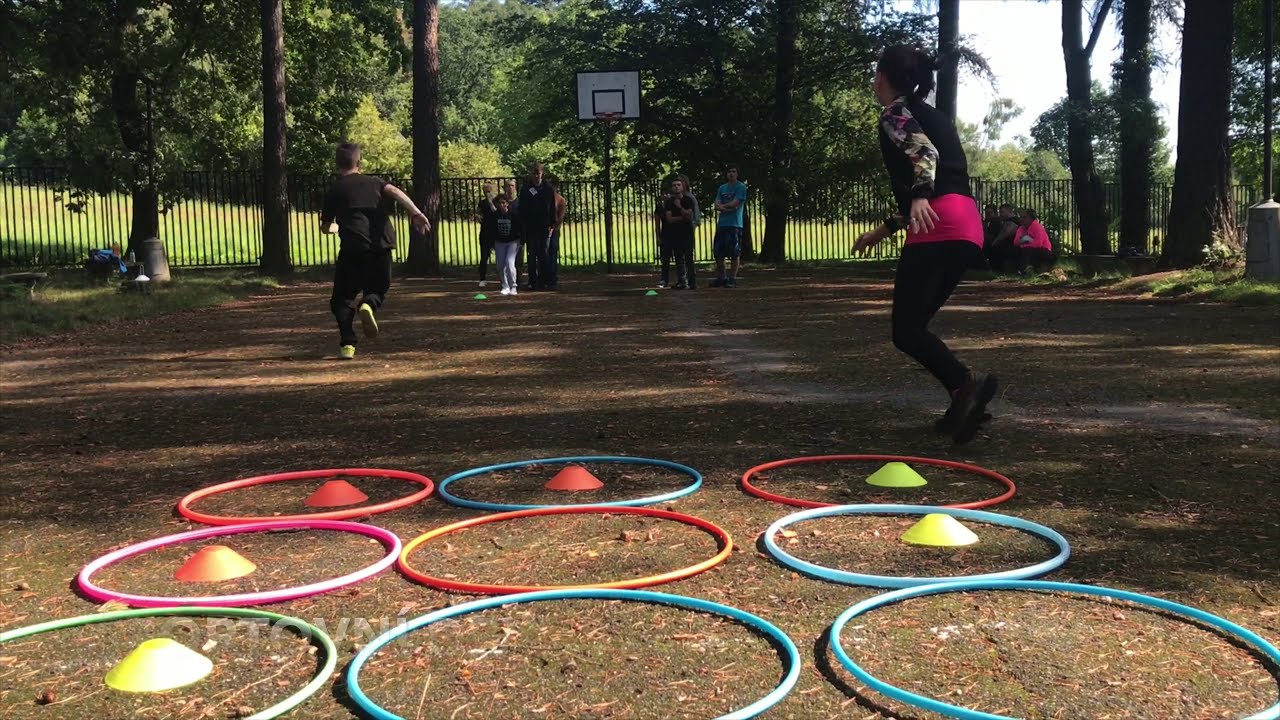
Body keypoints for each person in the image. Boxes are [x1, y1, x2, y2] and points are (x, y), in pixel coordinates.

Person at [850, 45, 997, 444]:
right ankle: (961, 400)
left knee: (907, 331)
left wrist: (919, 194)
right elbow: (941, 170)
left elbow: (925, 156)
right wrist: (882, 230)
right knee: (916, 326)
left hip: (938, 224)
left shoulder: (896, 112)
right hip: (967, 226)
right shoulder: (932, 115)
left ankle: (965, 384)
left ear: (881, 76)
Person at [319, 142, 429, 360]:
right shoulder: (375, 183)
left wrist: (335, 228)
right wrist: (415, 212)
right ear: (359, 161)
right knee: (377, 288)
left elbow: (325, 226)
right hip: (380, 247)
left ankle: (347, 343)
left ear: (336, 164)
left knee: (341, 299)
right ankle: (369, 304)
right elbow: (395, 192)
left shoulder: (335, 190)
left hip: (352, 249)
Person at [518, 163, 557, 290]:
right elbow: (522, 209)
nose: (536, 175)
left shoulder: (548, 189)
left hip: (544, 227)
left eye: (538, 173)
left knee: (544, 254)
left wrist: (552, 224)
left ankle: (544, 281)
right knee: (532, 254)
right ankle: (532, 281)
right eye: (534, 173)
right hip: (530, 227)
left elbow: (551, 208)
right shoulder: (526, 189)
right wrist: (523, 226)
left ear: (542, 174)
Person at [712, 165, 747, 287]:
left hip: (734, 224)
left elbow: (735, 204)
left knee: (734, 253)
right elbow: (716, 204)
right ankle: (722, 277)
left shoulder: (741, 187)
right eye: (729, 172)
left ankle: (732, 278)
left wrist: (723, 207)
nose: (731, 174)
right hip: (722, 224)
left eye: (734, 171)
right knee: (718, 253)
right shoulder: (722, 188)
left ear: (737, 174)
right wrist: (724, 207)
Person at [660, 178, 697, 289]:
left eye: (678, 185)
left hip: (687, 233)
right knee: (678, 258)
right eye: (674, 185)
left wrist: (680, 207)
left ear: (683, 187)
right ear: (672, 188)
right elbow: (669, 219)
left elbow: (690, 216)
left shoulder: (688, 200)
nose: (676, 187)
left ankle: (692, 282)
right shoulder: (669, 202)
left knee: (689, 257)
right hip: (675, 234)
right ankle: (682, 281)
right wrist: (683, 216)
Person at [487, 195, 522, 295]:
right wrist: (491, 243)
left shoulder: (514, 214)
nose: (502, 205)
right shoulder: (494, 216)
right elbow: (491, 230)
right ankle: (505, 285)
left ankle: (513, 286)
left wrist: (521, 241)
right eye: (500, 203)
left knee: (509, 262)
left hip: (513, 242)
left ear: (507, 203)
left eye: (504, 203)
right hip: (499, 242)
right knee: (500, 265)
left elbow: (520, 228)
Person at [1013, 208, 1055, 274]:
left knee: (1027, 250)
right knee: (1015, 249)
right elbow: (1016, 242)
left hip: (1044, 250)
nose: (1021, 219)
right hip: (1028, 249)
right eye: (1020, 217)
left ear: (1031, 218)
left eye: (1024, 217)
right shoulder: (1021, 228)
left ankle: (1023, 270)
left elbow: (1038, 244)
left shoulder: (1037, 227)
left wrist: (1023, 244)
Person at [544, 176, 567, 290]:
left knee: (552, 254)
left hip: (554, 231)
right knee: (543, 255)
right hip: (543, 230)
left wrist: (553, 227)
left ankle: (552, 280)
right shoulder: (543, 198)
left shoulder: (560, 200)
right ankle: (543, 278)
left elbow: (561, 217)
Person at [475, 182, 498, 287]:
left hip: (497, 232)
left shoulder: (497, 202)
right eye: (485, 191)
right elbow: (478, 213)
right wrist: (478, 217)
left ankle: (502, 277)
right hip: (485, 231)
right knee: (484, 256)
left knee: (501, 256)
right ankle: (482, 278)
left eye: (489, 190)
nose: (487, 193)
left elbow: (497, 212)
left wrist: (491, 203)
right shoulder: (482, 203)